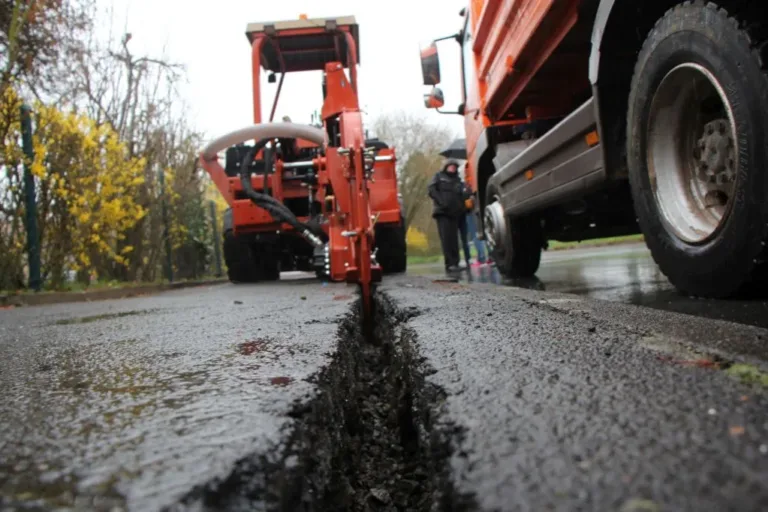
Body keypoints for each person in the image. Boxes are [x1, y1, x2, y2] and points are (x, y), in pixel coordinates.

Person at [428, 159, 465, 274]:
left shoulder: (458, 180)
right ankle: (449, 264)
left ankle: (456, 263)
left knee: (454, 239)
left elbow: (462, 195)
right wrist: (441, 201)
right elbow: (431, 189)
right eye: (451, 166)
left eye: (454, 166)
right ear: (446, 167)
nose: (452, 168)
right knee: (446, 239)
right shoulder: (439, 176)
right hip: (442, 213)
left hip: (454, 213)